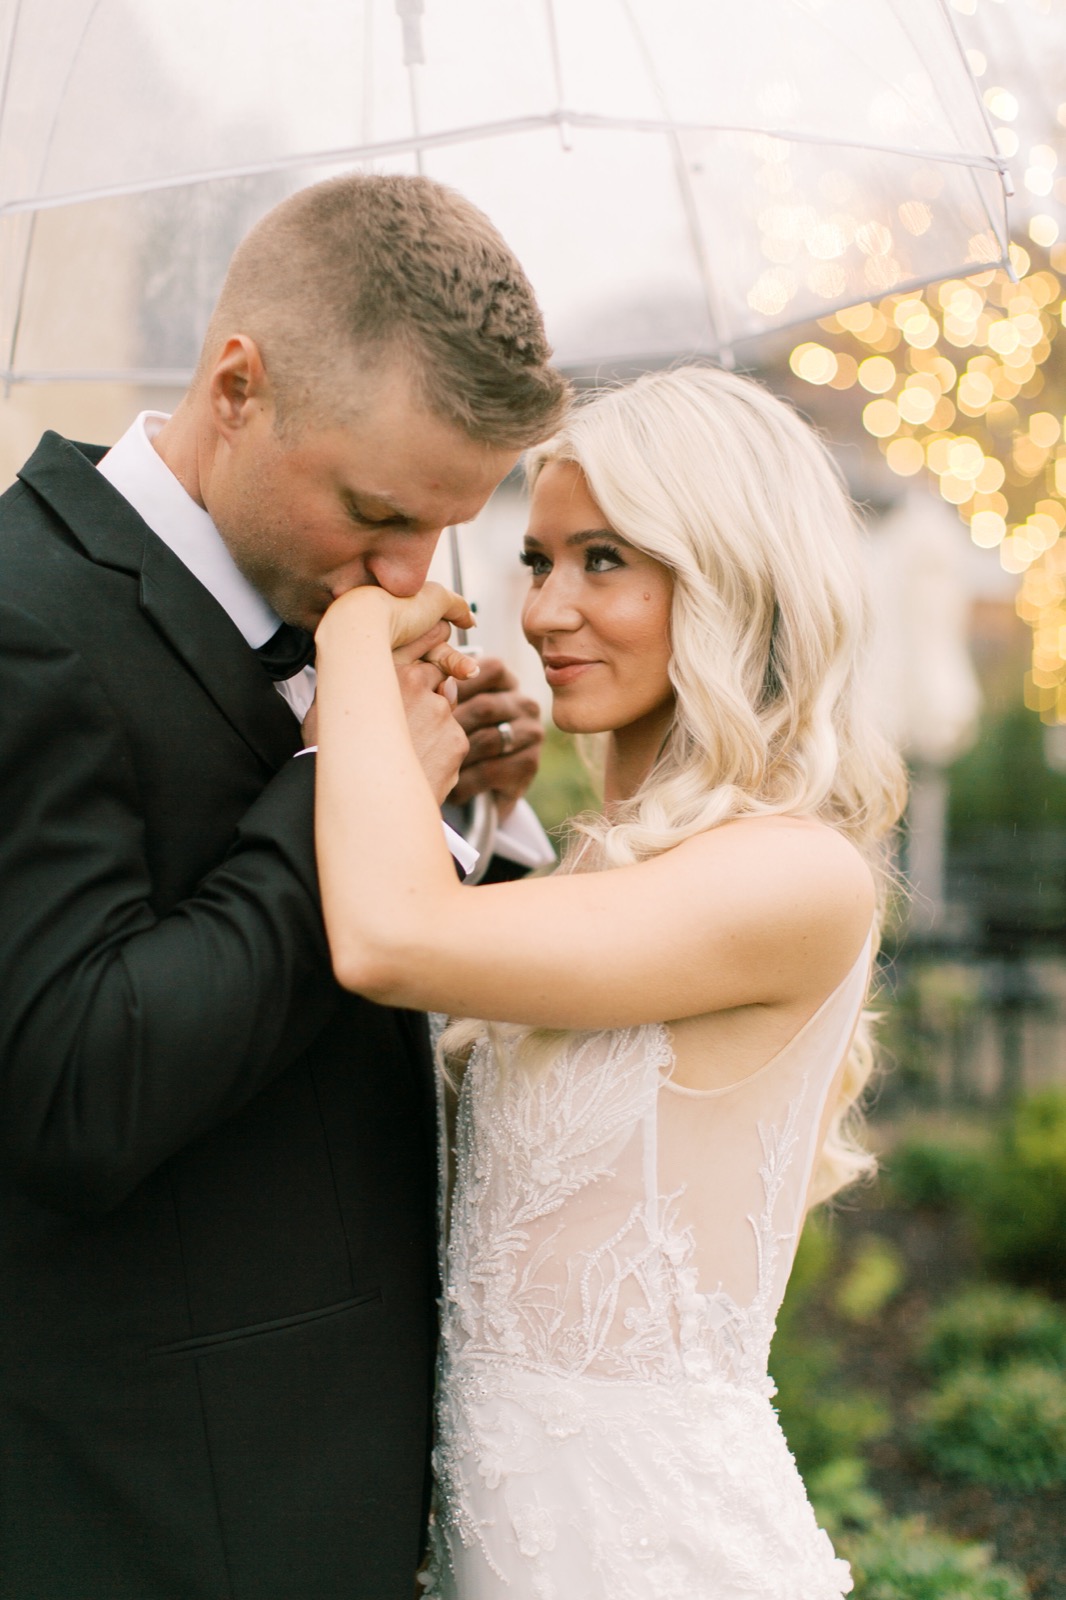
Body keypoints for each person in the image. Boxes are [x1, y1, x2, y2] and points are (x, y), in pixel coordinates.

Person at [0, 173, 568, 1600]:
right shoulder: (24, 621)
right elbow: (74, 1086)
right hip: (160, 1512)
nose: (405, 571)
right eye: (376, 512)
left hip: (339, 1488)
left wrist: (460, 807)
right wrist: (329, 783)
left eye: (448, 527)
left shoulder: (335, 620)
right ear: (236, 385)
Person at [310, 364, 908, 1599]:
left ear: (732, 578)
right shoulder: (604, 864)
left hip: (658, 1555)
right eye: (535, 562)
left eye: (604, 561)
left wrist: (352, 641)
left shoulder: (796, 875)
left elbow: (383, 938)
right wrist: (486, 809)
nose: (545, 612)